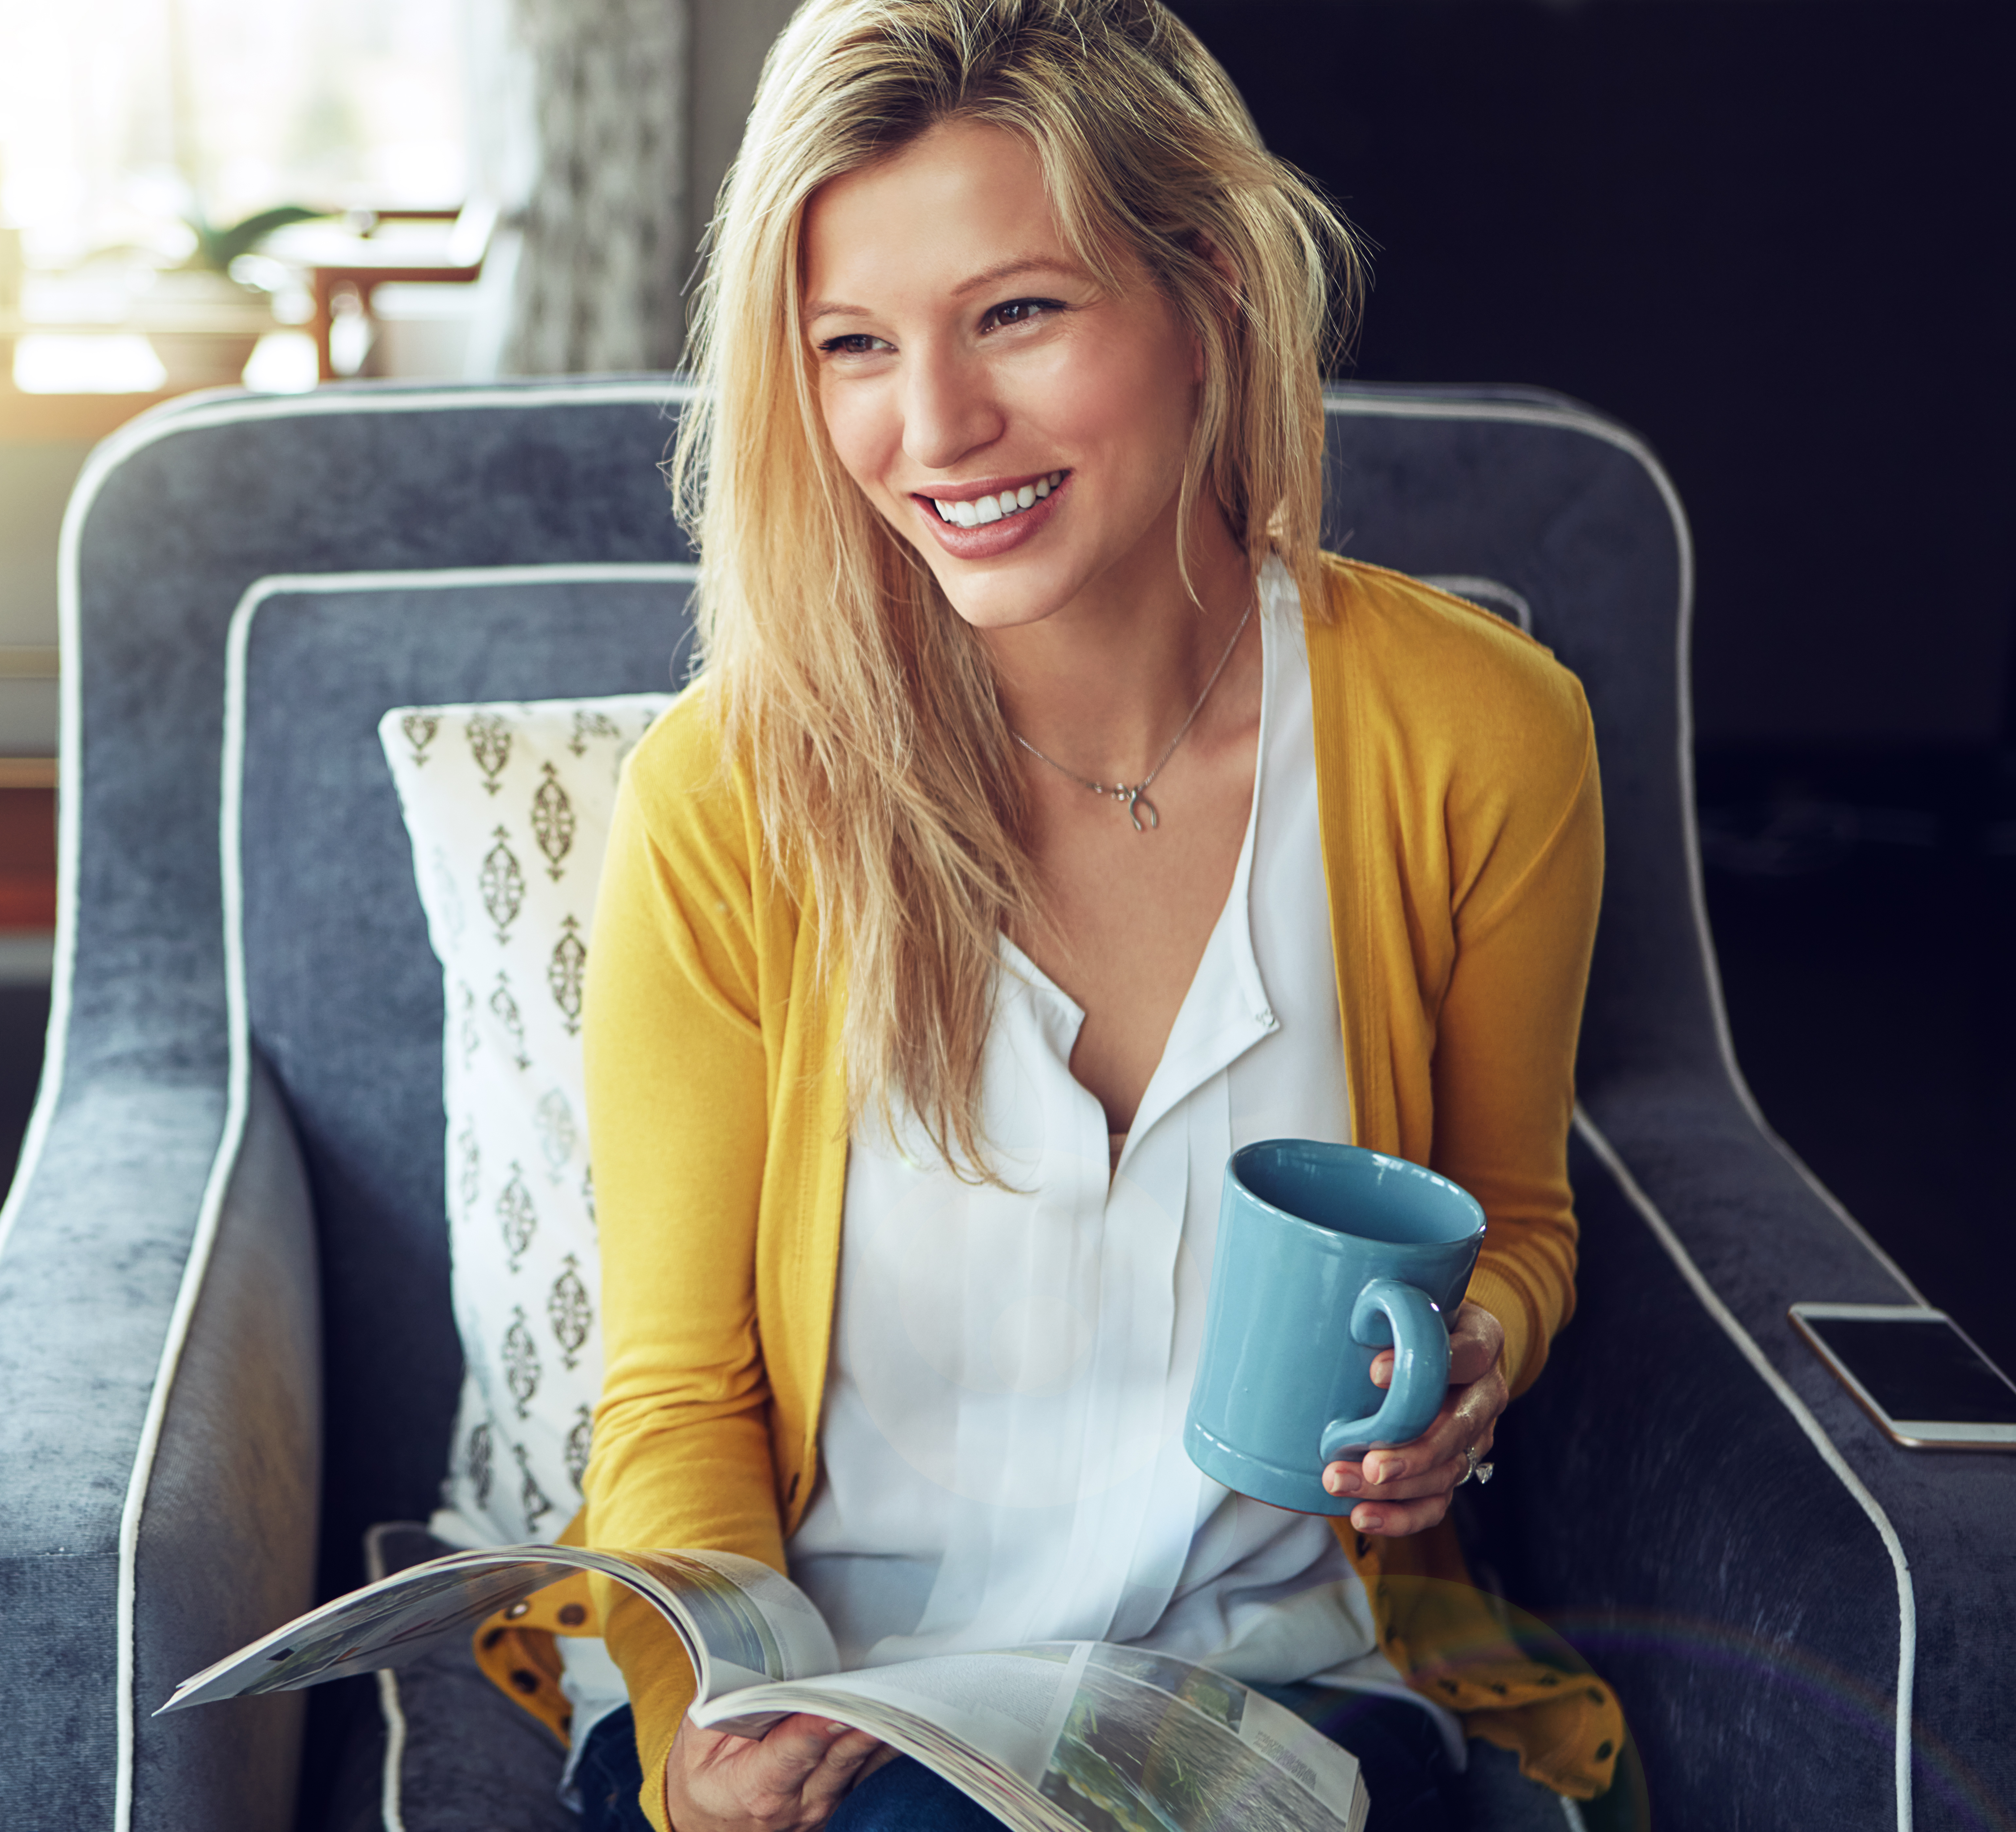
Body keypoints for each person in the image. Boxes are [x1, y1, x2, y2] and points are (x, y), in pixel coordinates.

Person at [529, 0, 1621, 1825]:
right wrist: (705, 1719)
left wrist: (1472, 1358)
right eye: (851, 345)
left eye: (1015, 313)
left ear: (1206, 290)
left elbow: (1512, 1218)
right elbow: (673, 1394)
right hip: (837, 1697)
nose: (933, 427)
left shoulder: (1479, 735)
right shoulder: (730, 797)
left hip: (1272, 1692)